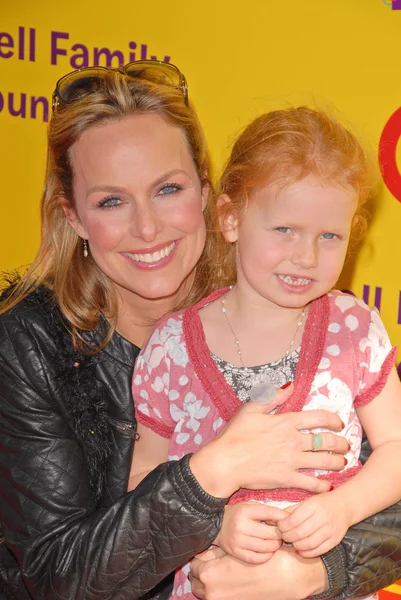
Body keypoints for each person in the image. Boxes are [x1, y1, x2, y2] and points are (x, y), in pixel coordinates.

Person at [130, 106, 401, 600]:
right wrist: (212, 524)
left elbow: (397, 448)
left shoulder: (354, 329)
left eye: (330, 236)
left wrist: (344, 509)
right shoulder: (169, 348)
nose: (307, 257)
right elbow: (142, 480)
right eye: (285, 230)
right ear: (231, 219)